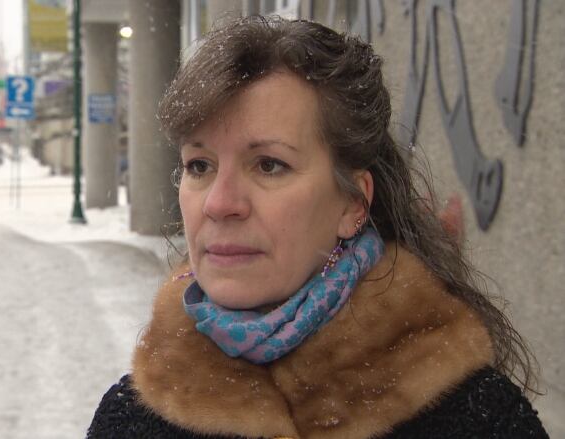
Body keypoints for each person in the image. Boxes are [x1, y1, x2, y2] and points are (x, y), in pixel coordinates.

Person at [88, 16, 548, 439]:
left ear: (352, 203)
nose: (220, 203)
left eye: (269, 165)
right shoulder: (131, 420)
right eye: (199, 164)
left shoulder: (476, 419)